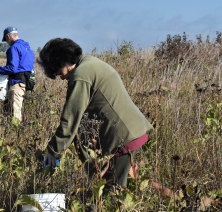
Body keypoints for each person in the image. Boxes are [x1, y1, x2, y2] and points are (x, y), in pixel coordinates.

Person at [39, 38, 153, 189]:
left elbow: (71, 118)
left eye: (57, 71)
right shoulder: (90, 62)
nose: (60, 76)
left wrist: (54, 152)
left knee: (113, 191)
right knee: (132, 180)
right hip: (132, 131)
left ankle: (177, 203)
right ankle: (173, 198)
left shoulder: (81, 75)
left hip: (122, 138)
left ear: (61, 61)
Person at [0, 26, 35, 121]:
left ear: (8, 36)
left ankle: (16, 133)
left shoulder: (14, 48)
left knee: (15, 111)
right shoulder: (27, 47)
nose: (7, 43)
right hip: (27, 82)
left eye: (6, 40)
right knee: (12, 108)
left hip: (17, 82)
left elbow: (12, 68)